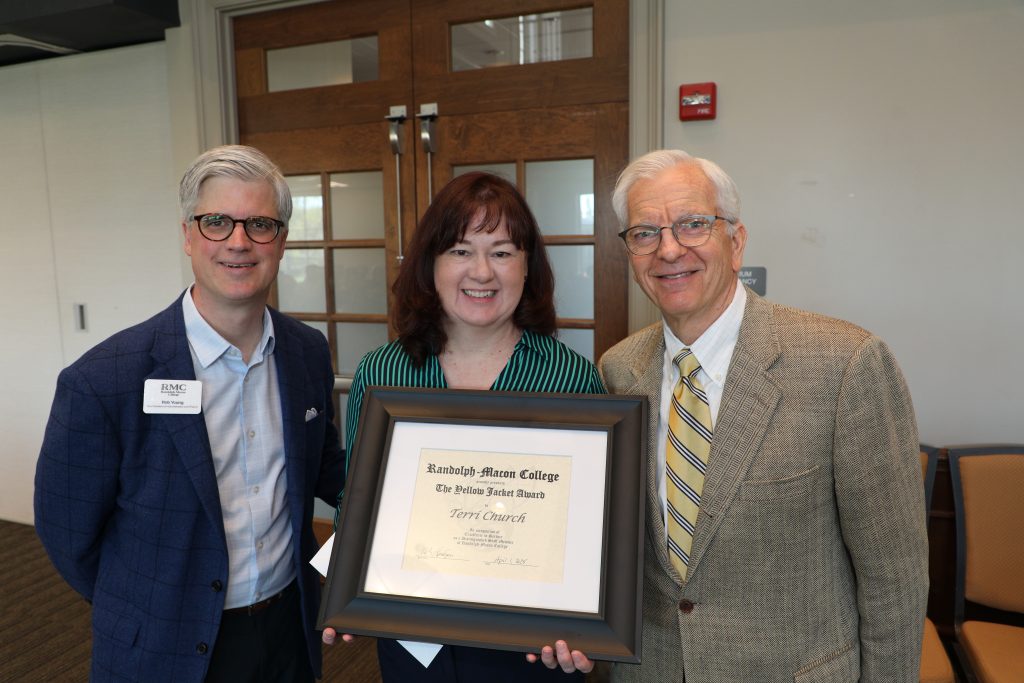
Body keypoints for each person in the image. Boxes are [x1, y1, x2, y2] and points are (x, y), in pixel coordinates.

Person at [536, 149, 928, 681]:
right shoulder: (619, 369)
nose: (669, 250)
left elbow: (895, 581)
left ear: (736, 241)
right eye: (644, 234)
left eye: (693, 225)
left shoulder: (846, 365)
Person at [34, 145, 345, 682]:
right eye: (217, 222)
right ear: (187, 235)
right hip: (161, 644)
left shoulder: (306, 353)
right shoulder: (105, 380)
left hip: (288, 630)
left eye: (260, 224)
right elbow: (68, 534)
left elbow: (322, 468)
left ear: (283, 241)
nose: (239, 242)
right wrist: (144, 603)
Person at [323, 171, 604, 682]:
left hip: (532, 645)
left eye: (502, 252)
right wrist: (347, 588)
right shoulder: (383, 372)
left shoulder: (570, 378)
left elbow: (590, 529)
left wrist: (590, 625)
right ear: (431, 265)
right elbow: (358, 499)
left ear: (527, 267)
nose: (482, 272)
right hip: (414, 639)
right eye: (459, 250)